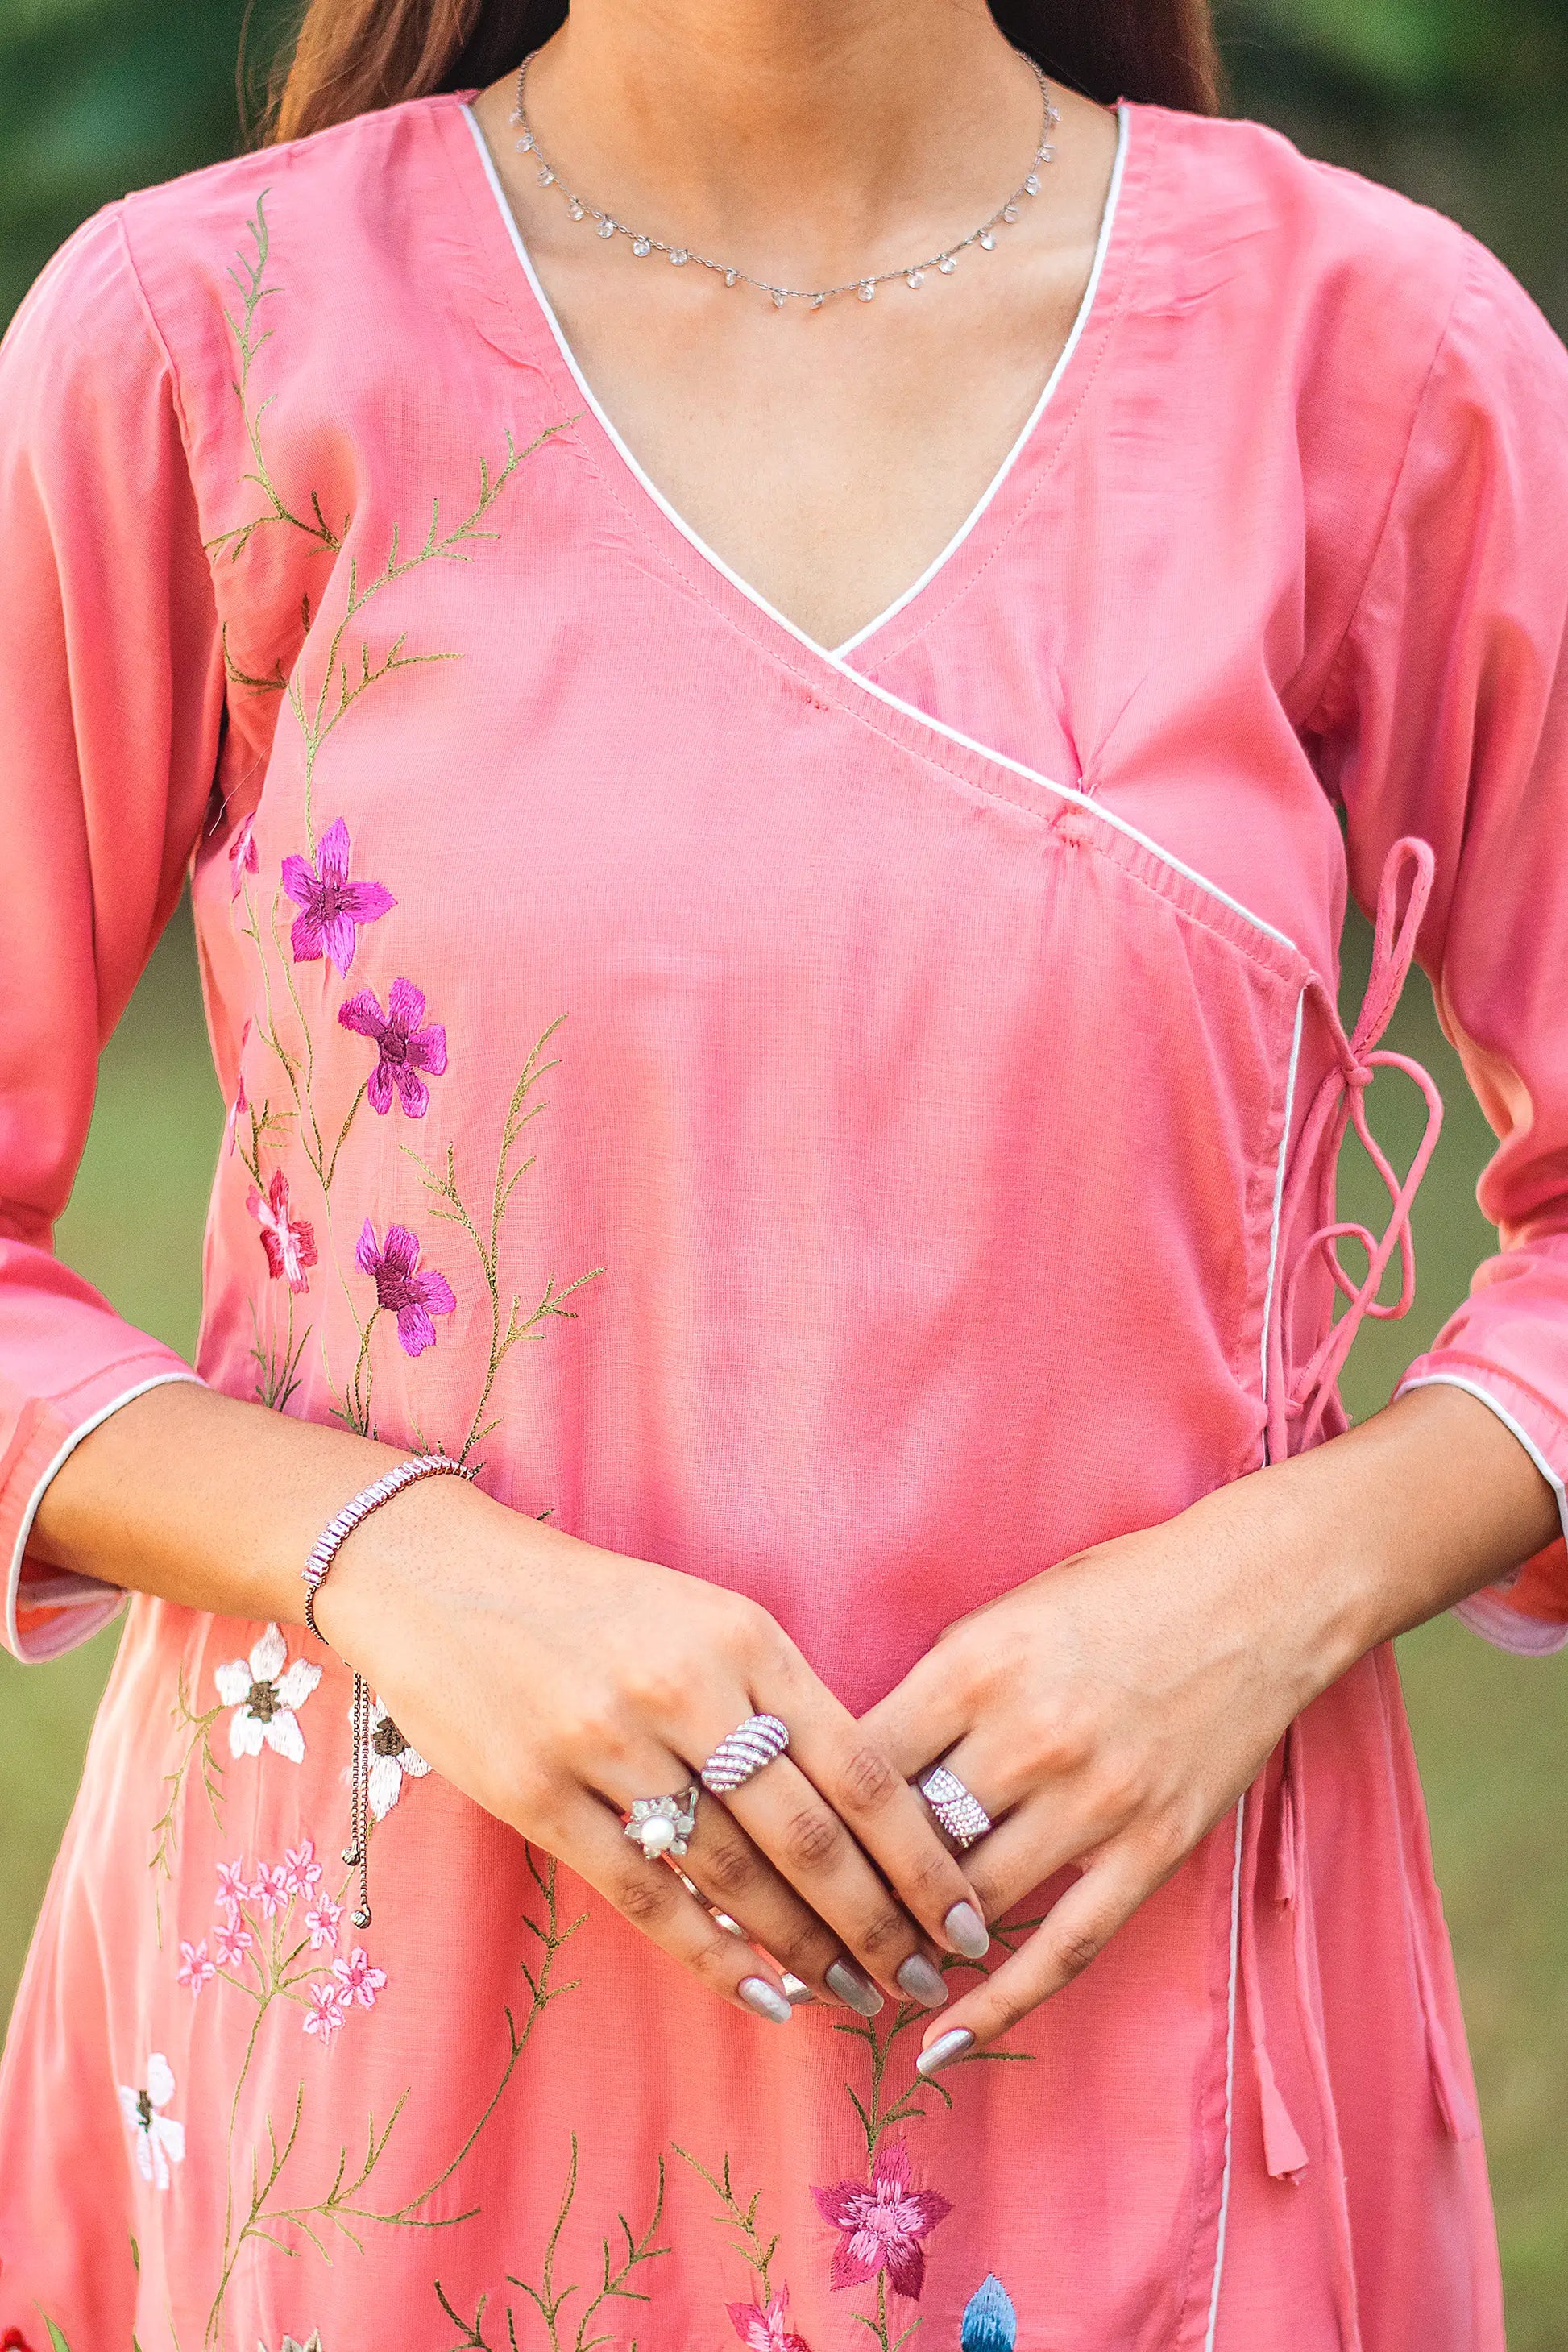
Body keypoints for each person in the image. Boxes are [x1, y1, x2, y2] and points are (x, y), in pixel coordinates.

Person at [1, 0, 1566, 2342]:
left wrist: (1264, 1593)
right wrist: (390, 1562)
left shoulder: (1371, 358)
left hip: (1147, 2024)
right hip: (375, 2067)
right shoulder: (196, 341)